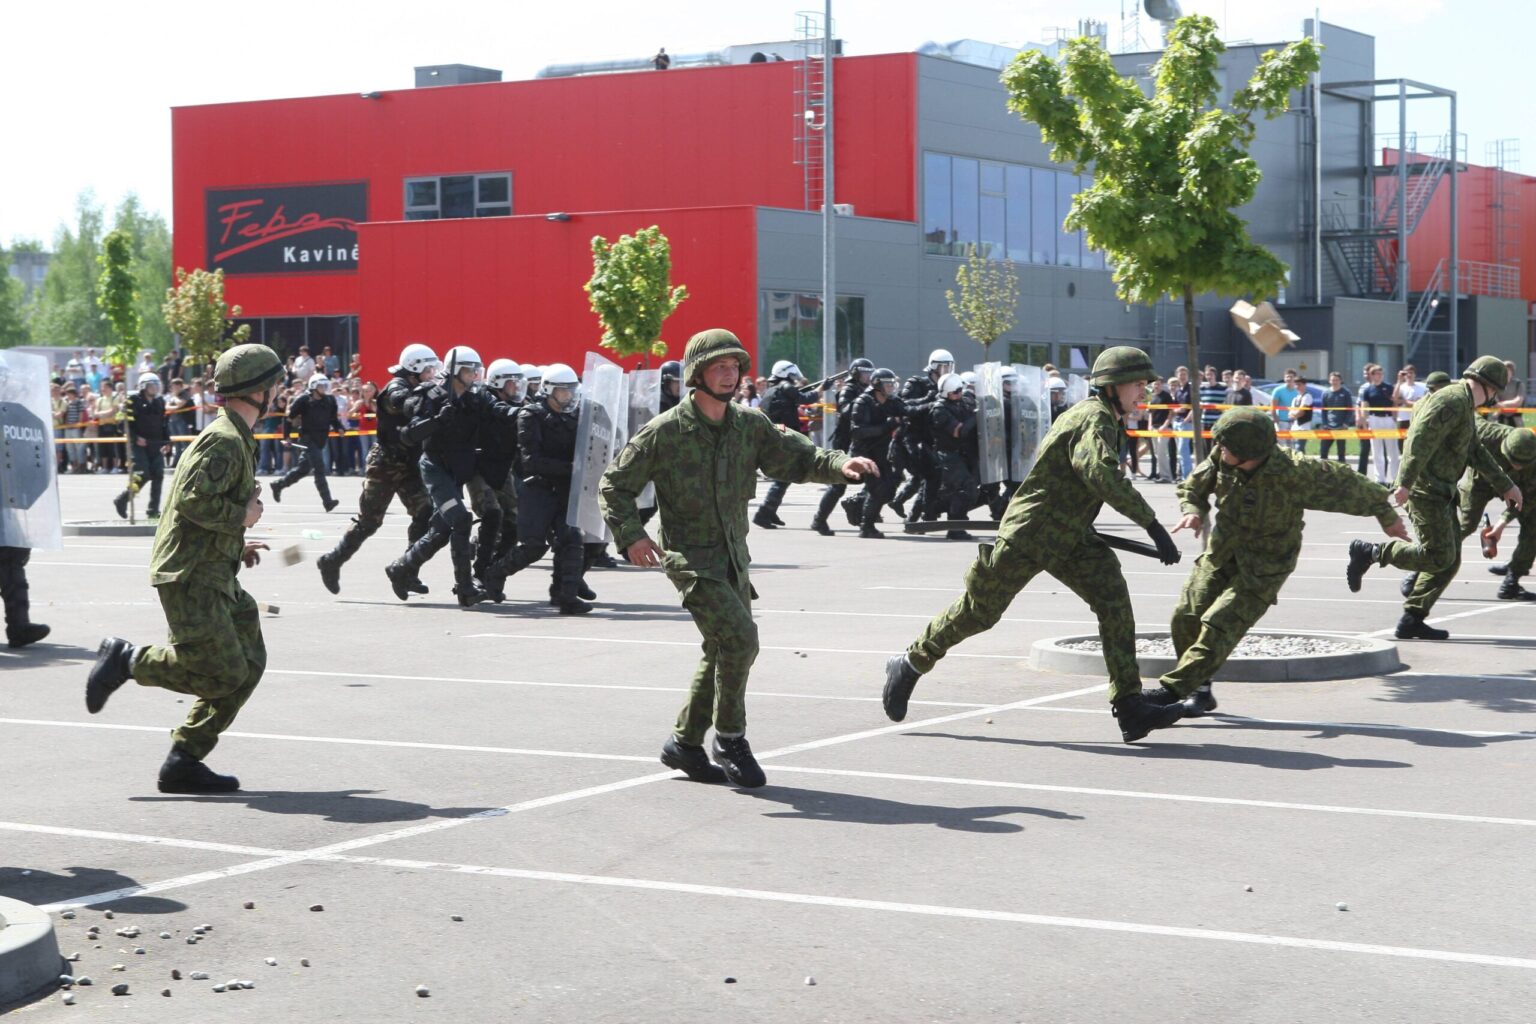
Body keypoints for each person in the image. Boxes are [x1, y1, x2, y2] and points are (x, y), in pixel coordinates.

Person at [599, 328, 878, 788]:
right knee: (741, 640)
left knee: (722, 648)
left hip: (733, 556)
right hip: (690, 560)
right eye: (719, 367)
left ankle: (684, 744)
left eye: (734, 367)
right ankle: (730, 738)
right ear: (697, 374)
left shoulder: (749, 425)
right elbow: (614, 485)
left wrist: (840, 465)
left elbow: (799, 457)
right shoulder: (666, 431)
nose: (730, 375)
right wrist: (632, 536)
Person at [881, 346, 1186, 744]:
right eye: (1137, 383)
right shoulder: (1093, 418)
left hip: (1072, 536)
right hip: (1033, 531)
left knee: (1113, 601)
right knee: (979, 611)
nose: (1143, 390)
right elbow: (1100, 473)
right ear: (1112, 385)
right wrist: (1152, 525)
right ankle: (910, 662)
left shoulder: (1105, 417)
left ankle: (1129, 705)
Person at [85, 343, 285, 794]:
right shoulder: (224, 439)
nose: (278, 392)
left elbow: (204, 507)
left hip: (214, 570)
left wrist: (236, 542)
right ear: (257, 390)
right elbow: (195, 502)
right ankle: (127, 660)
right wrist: (242, 517)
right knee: (222, 671)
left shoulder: (237, 437)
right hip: (190, 574)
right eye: (274, 384)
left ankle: (184, 759)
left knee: (249, 663)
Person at [1143, 408, 1405, 716]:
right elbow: (1193, 488)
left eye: (1226, 444)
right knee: (1185, 615)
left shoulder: (1295, 472)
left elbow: (1349, 484)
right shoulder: (1222, 456)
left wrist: (1387, 516)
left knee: (1221, 623)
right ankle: (1200, 690)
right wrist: (1193, 511)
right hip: (1221, 554)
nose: (1219, 447)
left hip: (1265, 566)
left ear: (1248, 451)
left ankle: (1172, 690)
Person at [1347, 356, 1524, 639]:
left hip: (1441, 490)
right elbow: (1418, 440)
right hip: (1424, 489)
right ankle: (1370, 553)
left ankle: (1412, 619)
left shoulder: (1464, 404)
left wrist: (1506, 486)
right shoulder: (1451, 401)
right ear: (1489, 387)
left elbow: (1474, 450)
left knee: (1450, 560)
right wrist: (1404, 483)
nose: (1492, 400)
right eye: (1494, 393)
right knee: (1438, 555)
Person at [386, 346, 519, 608]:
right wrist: (436, 420)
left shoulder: (476, 397)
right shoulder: (431, 394)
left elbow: (499, 410)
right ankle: (466, 588)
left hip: (458, 470)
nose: (474, 376)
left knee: (441, 530)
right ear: (456, 371)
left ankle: (401, 568)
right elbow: (408, 435)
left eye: (476, 371)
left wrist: (523, 412)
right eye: (469, 371)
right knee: (461, 519)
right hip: (436, 469)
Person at [315, 344, 440, 595]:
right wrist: (431, 393)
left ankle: (406, 571)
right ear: (414, 368)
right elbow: (404, 404)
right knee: (369, 522)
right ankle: (332, 560)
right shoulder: (396, 388)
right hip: (386, 464)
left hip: (410, 464)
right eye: (428, 370)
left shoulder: (420, 388)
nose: (431, 375)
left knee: (426, 513)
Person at [477, 363, 594, 613]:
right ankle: (494, 574)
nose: (569, 396)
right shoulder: (531, 415)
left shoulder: (575, 416)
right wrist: (572, 467)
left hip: (565, 487)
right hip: (537, 488)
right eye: (563, 391)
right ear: (549, 390)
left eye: (571, 390)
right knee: (533, 546)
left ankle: (565, 596)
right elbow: (532, 462)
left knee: (572, 539)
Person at [1441, 421, 1536, 601]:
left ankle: (1512, 580)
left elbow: (1530, 497)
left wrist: (1501, 524)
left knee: (1533, 525)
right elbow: (1464, 421)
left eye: (1522, 464)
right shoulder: (1486, 434)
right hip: (1480, 482)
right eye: (1513, 460)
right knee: (1464, 526)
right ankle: (1424, 567)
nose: (1517, 466)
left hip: (1516, 487)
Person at [467, 358, 524, 589]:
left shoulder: (517, 404)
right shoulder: (484, 398)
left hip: (502, 469)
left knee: (514, 524)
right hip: (479, 468)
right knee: (492, 514)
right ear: (498, 382)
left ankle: (495, 571)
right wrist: (523, 412)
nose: (516, 387)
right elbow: (499, 411)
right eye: (512, 382)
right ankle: (479, 572)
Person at [753, 360, 820, 529]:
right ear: (784, 373)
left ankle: (770, 511)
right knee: (784, 476)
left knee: (784, 476)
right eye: (791, 374)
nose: (793, 377)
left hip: (775, 437)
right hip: (784, 439)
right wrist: (822, 389)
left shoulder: (771, 390)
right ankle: (763, 513)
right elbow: (806, 398)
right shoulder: (785, 386)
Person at [810, 357, 873, 536]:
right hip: (844, 442)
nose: (868, 376)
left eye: (870, 373)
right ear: (856, 373)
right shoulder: (849, 389)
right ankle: (819, 519)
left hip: (860, 441)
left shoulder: (865, 389)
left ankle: (863, 511)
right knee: (838, 484)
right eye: (865, 373)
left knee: (875, 479)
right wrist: (864, 399)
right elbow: (846, 410)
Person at [270, 373, 342, 511]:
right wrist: (286, 436)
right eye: (321, 386)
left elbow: (333, 419)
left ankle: (278, 485)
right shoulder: (303, 400)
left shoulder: (330, 400)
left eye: (325, 385)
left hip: (321, 439)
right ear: (313, 387)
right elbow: (289, 418)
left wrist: (340, 428)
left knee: (303, 469)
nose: (324, 388)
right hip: (307, 439)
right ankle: (327, 501)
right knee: (319, 468)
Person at [848, 367, 905, 537]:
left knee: (890, 487)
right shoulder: (862, 402)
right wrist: (887, 425)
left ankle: (857, 504)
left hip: (881, 452)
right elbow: (858, 432)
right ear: (877, 385)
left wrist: (929, 404)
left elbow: (907, 410)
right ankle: (866, 526)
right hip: (864, 452)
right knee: (877, 489)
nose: (891, 388)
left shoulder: (891, 401)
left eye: (892, 384)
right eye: (887, 385)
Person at [929, 372, 980, 539]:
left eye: (960, 391)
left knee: (964, 491)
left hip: (964, 454)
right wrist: (976, 415)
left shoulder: (961, 403)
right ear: (946, 393)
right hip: (947, 455)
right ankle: (953, 526)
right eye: (955, 392)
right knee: (966, 487)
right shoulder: (940, 409)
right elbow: (959, 431)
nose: (959, 394)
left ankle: (954, 521)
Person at [113, 373, 170, 519]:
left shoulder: (160, 402)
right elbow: (122, 424)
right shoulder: (132, 401)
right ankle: (122, 499)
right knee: (142, 475)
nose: (155, 388)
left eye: (157, 384)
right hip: (138, 446)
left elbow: (163, 424)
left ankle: (153, 510)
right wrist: (136, 438)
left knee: (158, 475)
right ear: (144, 386)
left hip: (155, 445)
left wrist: (167, 442)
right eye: (152, 385)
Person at [1358, 363, 1397, 484]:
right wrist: (1365, 424)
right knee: (1377, 451)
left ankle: (1396, 479)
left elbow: (1394, 402)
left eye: (1381, 374)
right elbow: (1364, 407)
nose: (1379, 376)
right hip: (1374, 419)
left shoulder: (1389, 387)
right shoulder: (1368, 390)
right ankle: (1380, 480)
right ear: (1372, 375)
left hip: (1388, 419)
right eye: (1377, 374)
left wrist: (1394, 418)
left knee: (1393, 451)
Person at [1318, 371, 1354, 464]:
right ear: (1329, 381)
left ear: (1340, 381)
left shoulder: (1346, 393)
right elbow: (1323, 410)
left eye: (1337, 380)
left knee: (1341, 452)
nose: (1335, 382)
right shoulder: (1325, 393)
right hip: (1328, 426)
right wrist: (1325, 424)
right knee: (1323, 451)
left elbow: (1350, 409)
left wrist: (1346, 423)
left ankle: (1342, 470)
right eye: (1333, 380)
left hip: (1342, 426)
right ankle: (1324, 470)